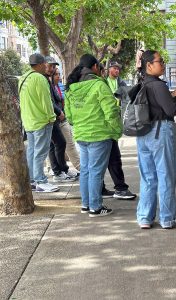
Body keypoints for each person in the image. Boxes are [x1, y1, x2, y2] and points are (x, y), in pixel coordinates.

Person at [65, 54, 122, 217]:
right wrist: (117, 130)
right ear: (95, 67)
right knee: (96, 172)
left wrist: (80, 124)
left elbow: (68, 115)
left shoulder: (72, 87)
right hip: (99, 134)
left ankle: (86, 204)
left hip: (82, 135)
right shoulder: (99, 85)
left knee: (86, 171)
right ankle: (96, 207)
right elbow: (111, 111)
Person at [136, 50, 176, 229]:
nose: (163, 64)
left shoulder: (142, 83)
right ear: (149, 65)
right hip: (160, 131)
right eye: (160, 61)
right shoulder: (158, 85)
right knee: (166, 176)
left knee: (148, 177)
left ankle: (145, 217)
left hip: (143, 133)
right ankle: (166, 218)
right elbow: (171, 110)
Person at [19, 53, 59, 192]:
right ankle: (41, 181)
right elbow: (46, 101)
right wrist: (51, 117)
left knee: (32, 151)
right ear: (41, 64)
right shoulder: (39, 78)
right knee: (40, 153)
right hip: (41, 121)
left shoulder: (23, 78)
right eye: (45, 65)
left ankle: (32, 180)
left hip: (28, 121)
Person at [100, 61, 136, 200]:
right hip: (106, 124)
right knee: (112, 159)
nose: (117, 71)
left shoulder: (122, 83)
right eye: (115, 68)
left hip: (113, 120)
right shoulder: (102, 83)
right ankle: (119, 188)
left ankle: (103, 188)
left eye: (118, 69)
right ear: (108, 70)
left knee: (105, 160)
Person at [45, 56, 78, 182]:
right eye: (51, 67)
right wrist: (59, 112)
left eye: (55, 68)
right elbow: (49, 101)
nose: (54, 71)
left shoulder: (56, 85)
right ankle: (58, 171)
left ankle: (61, 170)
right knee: (59, 144)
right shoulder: (45, 81)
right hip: (51, 118)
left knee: (56, 145)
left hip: (57, 118)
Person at [52, 67, 81, 172]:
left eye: (59, 74)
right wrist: (59, 112)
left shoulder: (60, 86)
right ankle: (55, 169)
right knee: (57, 145)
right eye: (56, 74)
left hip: (63, 119)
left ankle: (78, 166)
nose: (58, 77)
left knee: (69, 143)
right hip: (55, 119)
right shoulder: (49, 87)